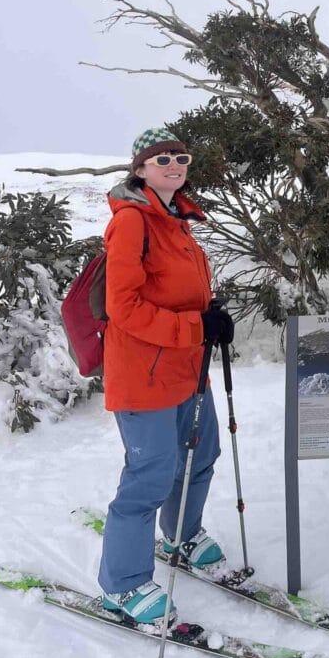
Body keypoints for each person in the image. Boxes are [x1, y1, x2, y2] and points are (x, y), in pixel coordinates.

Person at [97, 127, 235, 625]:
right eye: (161, 159)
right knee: (149, 477)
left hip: (187, 369)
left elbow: (175, 291)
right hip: (144, 374)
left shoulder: (178, 220)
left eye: (181, 156)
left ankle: (180, 535)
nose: (174, 164)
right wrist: (197, 326)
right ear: (140, 169)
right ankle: (123, 585)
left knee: (200, 456)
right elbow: (124, 308)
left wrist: (210, 312)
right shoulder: (132, 222)